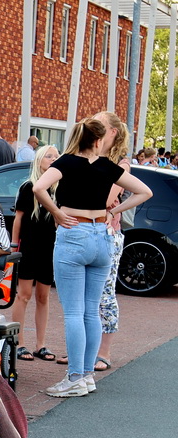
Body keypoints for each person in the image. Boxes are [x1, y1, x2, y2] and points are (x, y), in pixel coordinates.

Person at [32, 117, 151, 398]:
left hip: (74, 233)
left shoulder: (66, 162)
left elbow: (38, 188)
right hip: (102, 236)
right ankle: (86, 375)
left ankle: (75, 377)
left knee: (74, 312)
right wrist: (113, 212)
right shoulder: (108, 166)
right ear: (98, 140)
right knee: (91, 310)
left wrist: (56, 212)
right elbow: (145, 191)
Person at [10, 145, 60, 363]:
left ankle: (41, 344)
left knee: (43, 296)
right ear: (39, 160)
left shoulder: (59, 189)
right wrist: (14, 246)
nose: (53, 159)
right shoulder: (28, 187)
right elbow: (18, 218)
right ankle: (19, 343)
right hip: (29, 246)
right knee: (23, 295)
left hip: (50, 248)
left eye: (56, 156)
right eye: (49, 156)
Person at [93, 111, 130, 373]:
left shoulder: (121, 164)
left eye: (100, 125)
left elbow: (106, 198)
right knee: (86, 295)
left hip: (108, 233)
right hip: (86, 229)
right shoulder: (90, 157)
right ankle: (85, 348)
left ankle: (104, 351)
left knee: (105, 292)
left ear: (112, 132)